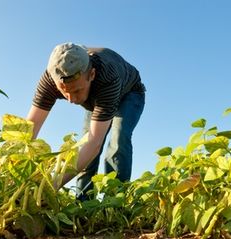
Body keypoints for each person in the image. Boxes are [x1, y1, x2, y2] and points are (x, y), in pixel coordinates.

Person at [26, 42, 146, 200]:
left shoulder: (107, 76)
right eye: (64, 92)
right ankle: (83, 203)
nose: (71, 100)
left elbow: (94, 142)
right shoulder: (50, 79)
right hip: (96, 98)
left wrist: (50, 186)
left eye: (77, 90)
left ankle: (115, 202)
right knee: (83, 146)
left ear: (92, 74)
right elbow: (29, 129)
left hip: (129, 93)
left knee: (118, 138)